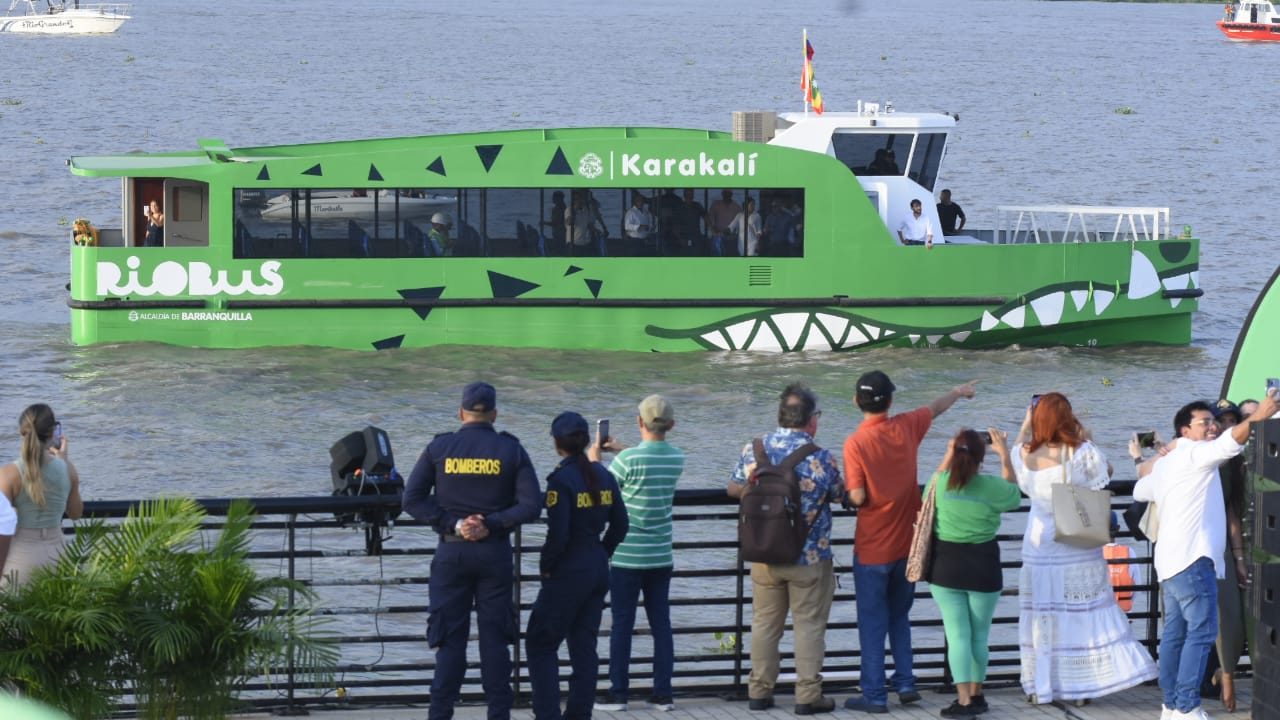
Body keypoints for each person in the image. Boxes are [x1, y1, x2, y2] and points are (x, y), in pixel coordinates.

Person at [1134, 391, 1279, 720]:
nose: (1213, 426)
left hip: (1169, 564)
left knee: (1175, 636)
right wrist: (1262, 414)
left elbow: (1139, 489)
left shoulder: (1171, 461)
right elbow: (1231, 442)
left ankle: (1170, 706)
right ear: (1185, 431)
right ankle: (1186, 707)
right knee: (1200, 634)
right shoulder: (1196, 455)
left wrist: (1157, 455)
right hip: (1194, 561)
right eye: (1205, 422)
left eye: (1214, 421)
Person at [402, 382, 542, 720]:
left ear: (461, 412)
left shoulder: (440, 447)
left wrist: (455, 523)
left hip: (452, 553)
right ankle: (498, 714)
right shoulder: (511, 450)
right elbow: (532, 504)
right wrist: (491, 524)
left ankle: (440, 714)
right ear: (493, 414)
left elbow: (412, 500)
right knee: (494, 643)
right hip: (494, 554)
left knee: (450, 642)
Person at [841, 372, 976, 714]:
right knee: (899, 616)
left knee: (872, 623)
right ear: (890, 400)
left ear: (857, 401)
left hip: (872, 548)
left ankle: (873, 694)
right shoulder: (906, 426)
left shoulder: (855, 443)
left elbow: (857, 495)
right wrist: (958, 391)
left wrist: (847, 497)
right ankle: (905, 682)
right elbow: (935, 407)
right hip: (908, 543)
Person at [1014, 392, 1156, 706]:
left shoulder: (1023, 453)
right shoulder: (1081, 451)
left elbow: (1018, 453)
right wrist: (1082, 434)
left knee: (1042, 616)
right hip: (1074, 542)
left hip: (1038, 547)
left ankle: (1041, 685)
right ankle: (1081, 686)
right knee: (1080, 615)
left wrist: (1027, 423)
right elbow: (1105, 473)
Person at [727, 383, 843, 715]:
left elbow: (733, 487)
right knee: (808, 626)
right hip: (809, 556)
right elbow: (839, 492)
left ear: (780, 415)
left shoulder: (755, 449)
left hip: (763, 551)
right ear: (811, 420)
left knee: (764, 624)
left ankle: (759, 692)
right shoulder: (820, 456)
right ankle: (807, 697)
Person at [526, 412, 628, 720]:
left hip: (568, 570)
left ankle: (547, 714)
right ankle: (579, 714)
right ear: (585, 441)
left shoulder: (561, 479)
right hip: (597, 567)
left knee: (540, 643)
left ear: (557, 443)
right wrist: (601, 552)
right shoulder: (604, 474)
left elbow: (559, 533)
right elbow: (621, 525)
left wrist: (546, 566)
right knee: (584, 648)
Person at [590, 395, 684, 712]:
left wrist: (594, 456)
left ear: (638, 421)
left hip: (627, 555)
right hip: (661, 554)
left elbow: (600, 487)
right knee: (661, 623)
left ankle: (618, 693)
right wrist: (622, 448)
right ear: (671, 425)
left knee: (622, 625)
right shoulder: (677, 458)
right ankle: (663, 693)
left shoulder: (627, 461)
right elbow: (649, 459)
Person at [925, 428, 1020, 719]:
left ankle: (963, 699)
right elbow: (1014, 497)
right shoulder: (991, 486)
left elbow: (927, 496)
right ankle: (977, 694)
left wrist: (948, 453)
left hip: (946, 569)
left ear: (954, 452)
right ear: (981, 458)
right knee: (980, 636)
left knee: (958, 636)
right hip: (984, 567)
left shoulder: (940, 483)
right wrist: (1005, 455)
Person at [0, 404, 84, 589]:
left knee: (14, 617)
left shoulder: (8, 474)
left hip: (19, 559)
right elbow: (76, 513)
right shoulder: (67, 469)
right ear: (53, 432)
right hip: (59, 556)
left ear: (23, 433)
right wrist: (64, 460)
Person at [707, 189, 741, 257]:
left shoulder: (736, 207)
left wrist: (735, 233)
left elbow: (740, 223)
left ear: (732, 194)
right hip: (718, 236)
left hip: (732, 237)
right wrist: (714, 231)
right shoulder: (715, 204)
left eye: (729, 193)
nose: (727, 195)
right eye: (725, 193)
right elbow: (710, 220)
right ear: (722, 194)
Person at [674, 189, 706, 255]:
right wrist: (679, 238)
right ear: (684, 195)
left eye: (690, 194)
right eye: (687, 194)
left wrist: (713, 230)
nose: (689, 196)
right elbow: (675, 225)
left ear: (693, 196)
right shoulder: (679, 207)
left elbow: (706, 218)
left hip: (696, 237)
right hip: (684, 237)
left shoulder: (697, 205)